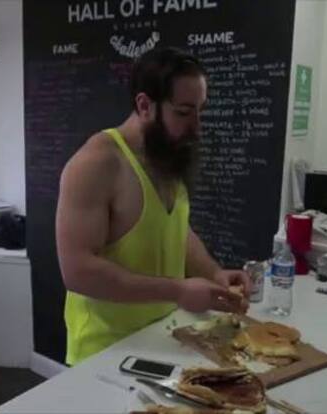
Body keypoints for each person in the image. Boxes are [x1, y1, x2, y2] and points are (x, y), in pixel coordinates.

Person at [56, 47, 251, 366]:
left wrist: (214, 273)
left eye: (200, 111)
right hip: (104, 352)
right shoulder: (95, 163)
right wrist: (178, 291)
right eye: (184, 113)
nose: (197, 127)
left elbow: (174, 228)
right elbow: (78, 271)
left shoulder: (166, 153)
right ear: (145, 105)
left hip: (164, 334)